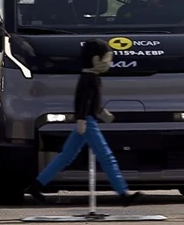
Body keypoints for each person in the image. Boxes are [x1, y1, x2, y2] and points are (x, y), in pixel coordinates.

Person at [26, 39, 142, 206]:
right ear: (95, 60)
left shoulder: (91, 77)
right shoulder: (89, 78)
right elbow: (83, 101)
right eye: (106, 59)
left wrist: (101, 112)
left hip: (87, 119)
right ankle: (123, 193)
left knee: (66, 156)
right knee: (106, 157)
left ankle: (36, 185)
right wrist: (81, 118)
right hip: (88, 122)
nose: (108, 63)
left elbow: (90, 101)